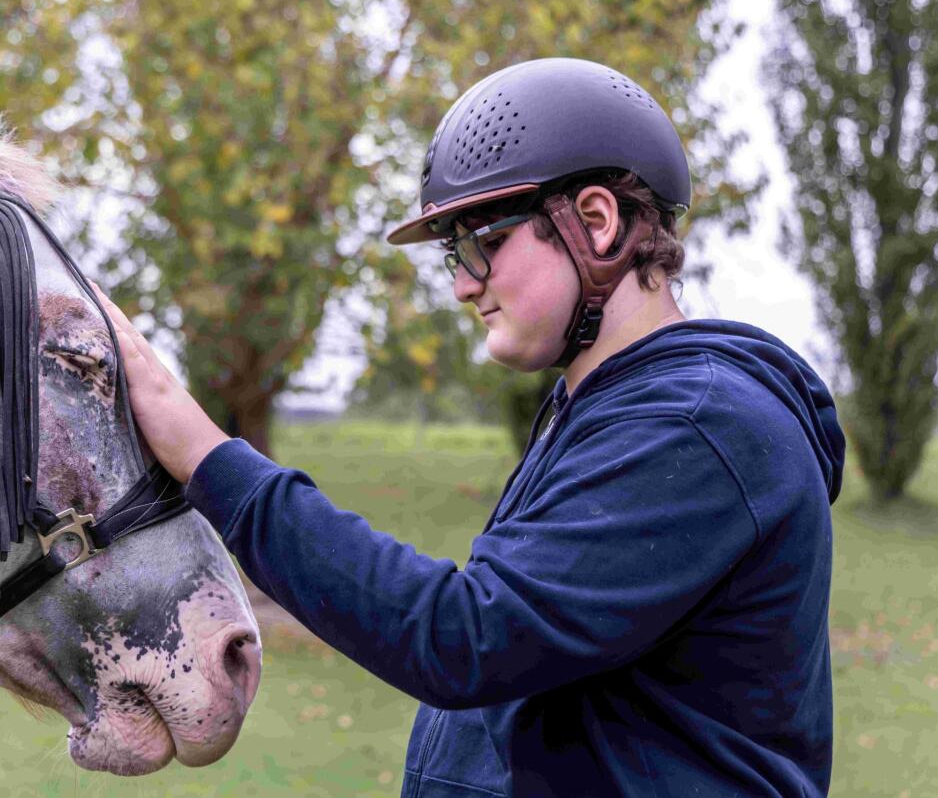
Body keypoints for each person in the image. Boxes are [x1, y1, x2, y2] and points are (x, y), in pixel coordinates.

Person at [92, 58, 845, 798]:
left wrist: (208, 457)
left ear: (596, 221)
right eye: (454, 251)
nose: (461, 283)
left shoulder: (693, 425)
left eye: (482, 241)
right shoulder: (611, 408)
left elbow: (463, 638)